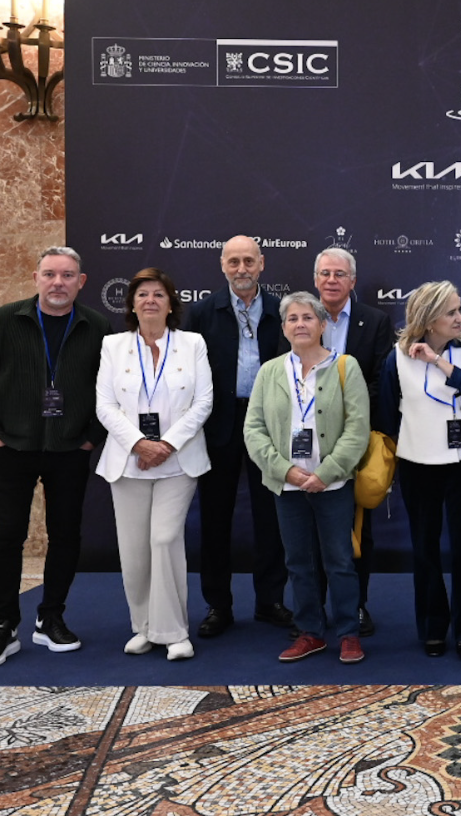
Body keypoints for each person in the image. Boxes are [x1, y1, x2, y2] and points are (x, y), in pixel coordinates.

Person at [0, 246, 110, 668]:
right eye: (49, 274)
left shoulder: (97, 327)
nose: (58, 283)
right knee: (6, 537)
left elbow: (110, 389)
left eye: (67, 275)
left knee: (65, 536)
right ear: (36, 278)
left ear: (81, 282)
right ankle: (3, 625)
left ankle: (51, 618)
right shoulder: (6, 320)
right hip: (12, 448)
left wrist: (91, 437)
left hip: (70, 449)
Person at [243, 292, 371, 664]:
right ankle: (310, 632)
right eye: (292, 318)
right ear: (284, 328)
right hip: (287, 485)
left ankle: (348, 633)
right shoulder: (269, 371)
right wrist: (285, 470)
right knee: (298, 562)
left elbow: (357, 429)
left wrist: (326, 473)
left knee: (340, 561)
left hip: (333, 484)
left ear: (322, 324)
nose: (300, 324)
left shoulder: (346, 366)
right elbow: (253, 429)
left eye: (307, 317)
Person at [95, 268, 214, 661]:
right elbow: (105, 406)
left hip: (178, 461)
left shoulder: (192, 343)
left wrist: (165, 445)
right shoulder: (113, 346)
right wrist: (139, 444)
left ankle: (174, 632)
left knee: (164, 539)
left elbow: (203, 402)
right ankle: (144, 627)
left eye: (158, 294)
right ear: (132, 304)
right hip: (128, 462)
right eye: (143, 294)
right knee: (134, 551)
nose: (150, 300)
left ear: (170, 303)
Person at [182, 235, 292, 639]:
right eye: (234, 262)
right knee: (215, 519)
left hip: (269, 425)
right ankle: (218, 605)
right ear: (222, 265)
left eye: (248, 261)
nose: (241, 269)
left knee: (272, 518)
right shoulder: (201, 313)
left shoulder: (283, 311)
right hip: (219, 424)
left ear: (262, 263)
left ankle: (270, 601)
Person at [378, 281, 461, 659]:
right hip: (418, 464)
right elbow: (387, 413)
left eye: (459, 310)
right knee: (425, 546)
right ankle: (432, 628)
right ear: (428, 320)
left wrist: (436, 361)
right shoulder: (396, 357)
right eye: (451, 313)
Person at [311, 246, 394, 637]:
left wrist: (346, 413)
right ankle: (312, 610)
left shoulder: (375, 321)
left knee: (359, 529)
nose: (332, 280)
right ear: (315, 279)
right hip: (307, 439)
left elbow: (381, 379)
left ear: (353, 281)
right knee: (309, 528)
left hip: (356, 438)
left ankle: (356, 606)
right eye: (325, 273)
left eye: (339, 274)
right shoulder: (301, 317)